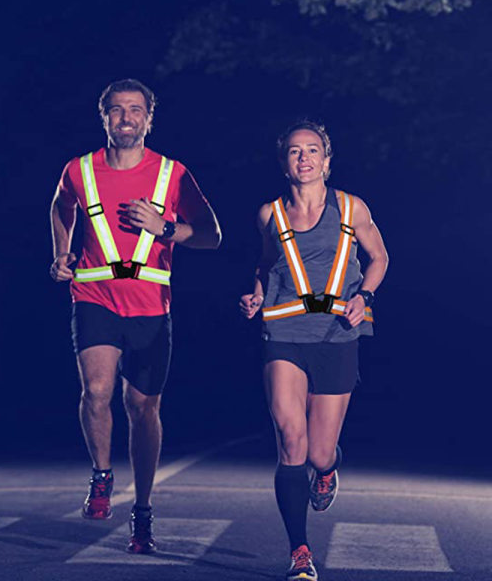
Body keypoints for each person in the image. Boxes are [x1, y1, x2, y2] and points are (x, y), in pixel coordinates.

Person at [50, 78, 221, 554]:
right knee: (97, 390)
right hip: (94, 294)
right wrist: (62, 253)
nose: (126, 118)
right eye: (117, 110)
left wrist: (165, 226)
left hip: (150, 302)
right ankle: (102, 475)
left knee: (143, 408)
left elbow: (212, 235)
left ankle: (142, 511)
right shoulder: (79, 170)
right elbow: (61, 208)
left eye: (136, 110)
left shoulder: (171, 173)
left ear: (149, 117)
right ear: (103, 116)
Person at [240, 120, 388, 580]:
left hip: (337, 337)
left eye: (312, 151)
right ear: (283, 162)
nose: (303, 158)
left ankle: (327, 470)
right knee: (290, 440)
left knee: (319, 453)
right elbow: (265, 265)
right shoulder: (269, 214)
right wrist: (256, 294)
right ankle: (299, 552)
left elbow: (380, 258)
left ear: (326, 160)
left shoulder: (351, 207)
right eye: (294, 151)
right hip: (284, 334)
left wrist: (364, 297)